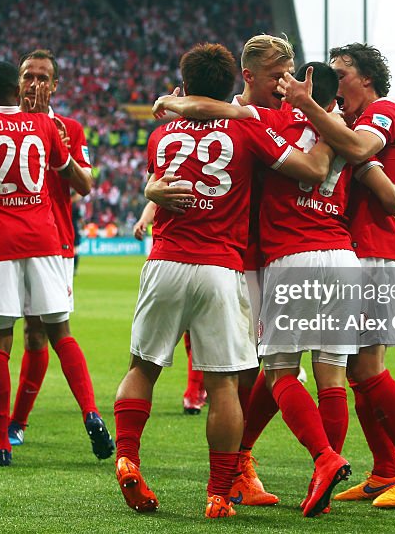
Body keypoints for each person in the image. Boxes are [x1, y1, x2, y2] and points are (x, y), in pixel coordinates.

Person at [113, 43, 349, 519]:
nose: (286, 83)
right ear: (240, 79)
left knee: (143, 368)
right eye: (277, 74)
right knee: (228, 385)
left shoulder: (162, 135)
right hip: (227, 265)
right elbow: (311, 168)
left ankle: (127, 458)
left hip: (167, 261)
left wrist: (170, 115)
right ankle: (220, 492)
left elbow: (172, 160)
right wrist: (332, 130)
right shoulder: (249, 127)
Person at [280, 42, 395, 508]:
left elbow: (360, 149)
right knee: (355, 372)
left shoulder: (384, 110)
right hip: (356, 251)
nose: (334, 81)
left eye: (341, 73)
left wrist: (308, 104)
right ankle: (385, 469)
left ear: (366, 79)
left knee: (368, 369)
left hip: (376, 250)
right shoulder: (372, 114)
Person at [0, 60, 112, 468]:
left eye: (41, 77)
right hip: (45, 241)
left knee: (0, 340)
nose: (34, 84)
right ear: (18, 89)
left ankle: (2, 441)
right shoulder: (46, 128)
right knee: (61, 333)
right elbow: (69, 172)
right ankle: (90, 411)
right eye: (28, 78)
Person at [134, 200, 206, 414]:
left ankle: (194, 394)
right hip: (190, 261)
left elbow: (155, 194)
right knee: (195, 333)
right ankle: (196, 392)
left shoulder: (177, 172)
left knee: (192, 333)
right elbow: (155, 198)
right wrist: (143, 221)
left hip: (180, 261)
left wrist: (144, 220)